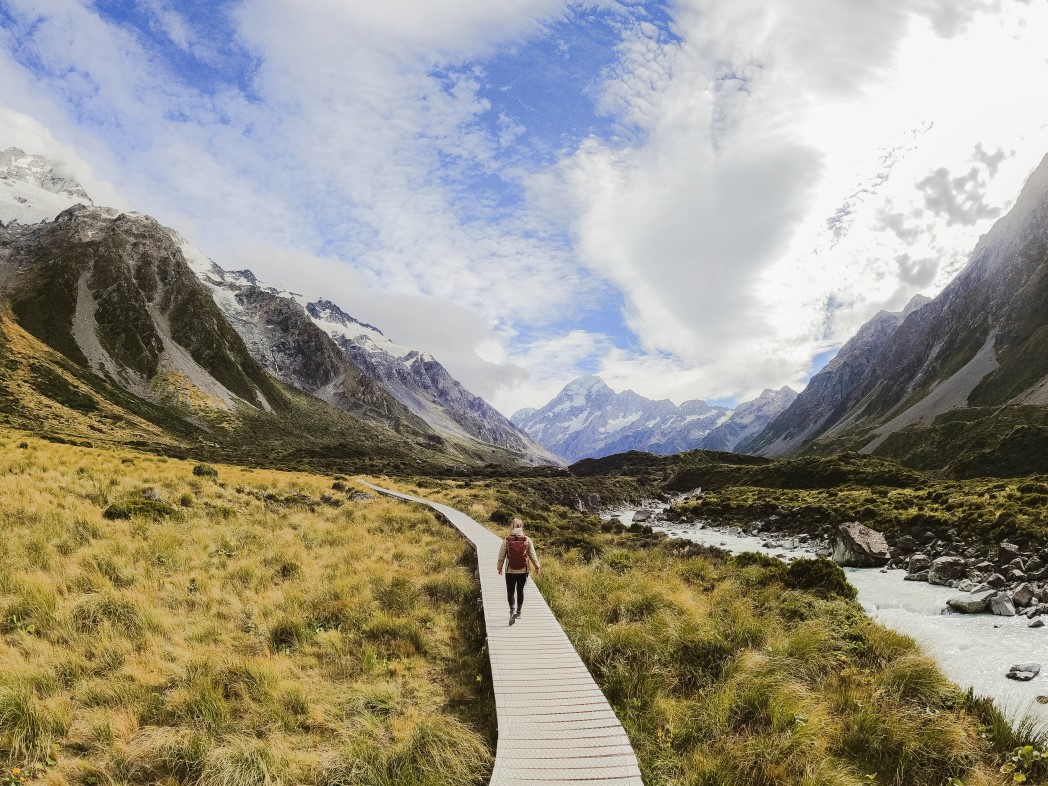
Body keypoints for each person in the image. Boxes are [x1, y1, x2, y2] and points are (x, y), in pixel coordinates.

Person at [497, 518, 540, 625]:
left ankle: (512, 609)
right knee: (520, 590)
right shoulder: (527, 539)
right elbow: (532, 555)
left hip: (510, 571)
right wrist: (537, 566)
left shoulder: (507, 540)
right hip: (523, 570)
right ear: (521, 527)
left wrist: (499, 568)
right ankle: (519, 611)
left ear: (512, 526)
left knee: (510, 591)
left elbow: (501, 556)